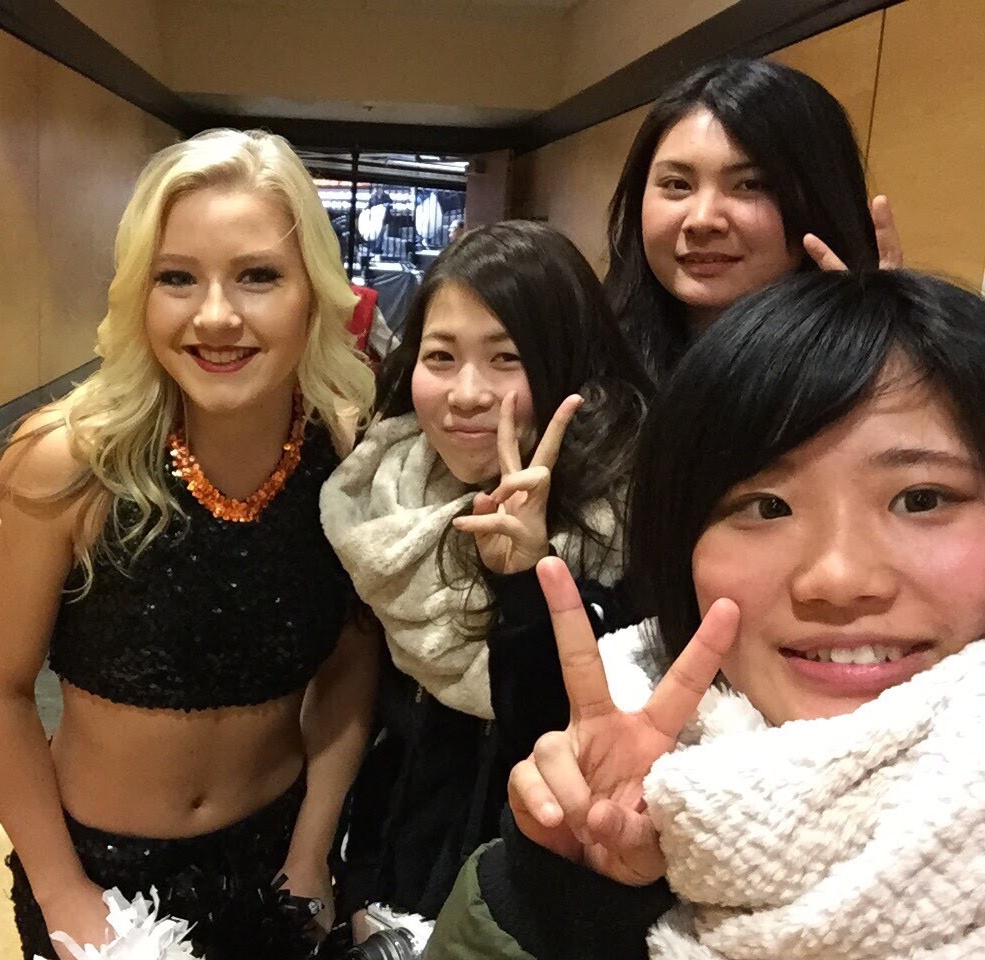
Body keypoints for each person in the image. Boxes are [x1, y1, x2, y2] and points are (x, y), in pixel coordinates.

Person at [426, 268, 985, 959]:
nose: (838, 580)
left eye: (922, 499)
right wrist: (568, 899)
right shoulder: (618, 797)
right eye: (767, 506)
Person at [0, 129, 379, 960]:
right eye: (176, 277)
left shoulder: (345, 455)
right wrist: (60, 889)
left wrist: (310, 851)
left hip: (276, 861)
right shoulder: (64, 463)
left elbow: (350, 666)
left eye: (258, 276)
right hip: (100, 875)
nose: (215, 316)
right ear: (138, 295)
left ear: (315, 293)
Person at [320, 221, 651, 939]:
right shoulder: (386, 493)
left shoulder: (633, 522)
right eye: (441, 356)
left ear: (567, 363)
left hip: (521, 891)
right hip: (386, 861)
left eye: (506, 359)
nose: (466, 394)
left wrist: (528, 580)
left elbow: (573, 743)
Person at [605, 57, 903, 382]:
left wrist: (885, 356)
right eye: (677, 184)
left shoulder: (879, 378)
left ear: (820, 199)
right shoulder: (588, 362)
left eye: (751, 185)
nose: (702, 220)